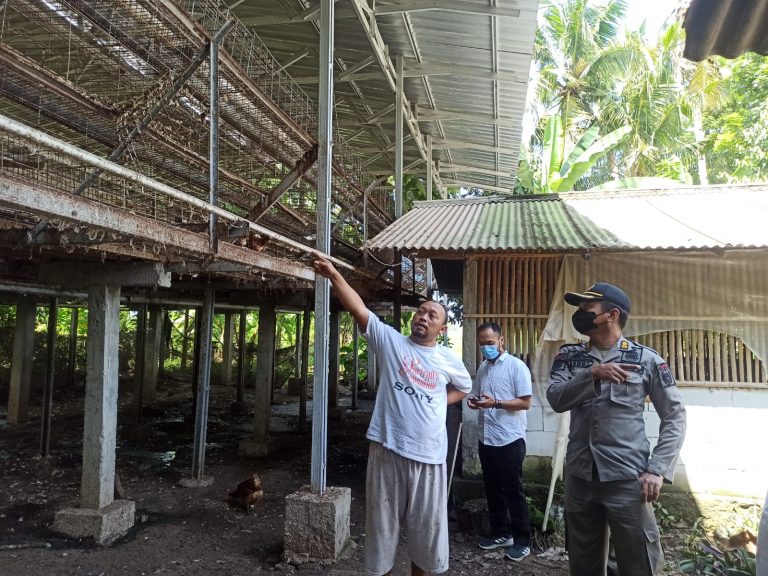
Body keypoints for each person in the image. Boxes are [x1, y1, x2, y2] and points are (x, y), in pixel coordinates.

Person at [313, 257, 472, 576]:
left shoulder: (447, 359)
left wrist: (439, 401)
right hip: (388, 450)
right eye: (421, 311)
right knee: (382, 530)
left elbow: (464, 388)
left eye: (432, 315)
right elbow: (359, 309)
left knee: (427, 532)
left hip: (430, 457)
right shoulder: (392, 343)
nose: (424, 316)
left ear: (441, 329)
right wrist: (333, 274)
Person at [546, 282, 687, 576]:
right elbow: (557, 399)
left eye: (588, 307)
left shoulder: (647, 360)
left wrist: (657, 469)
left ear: (611, 315)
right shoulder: (569, 357)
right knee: (583, 562)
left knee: (639, 561)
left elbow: (675, 416)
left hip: (627, 478)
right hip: (580, 477)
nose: (580, 312)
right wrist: (591, 374)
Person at [467, 322, 533, 561]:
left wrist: (495, 403)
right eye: (482, 344)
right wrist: (474, 401)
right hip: (487, 437)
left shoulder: (517, 366)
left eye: (490, 343)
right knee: (492, 488)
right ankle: (501, 533)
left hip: (510, 438)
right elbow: (478, 394)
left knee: (513, 490)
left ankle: (522, 541)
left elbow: (525, 402)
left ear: (501, 340)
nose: (486, 347)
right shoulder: (483, 367)